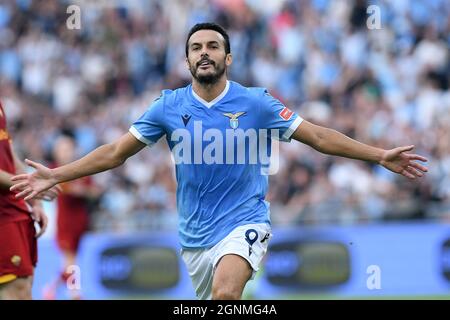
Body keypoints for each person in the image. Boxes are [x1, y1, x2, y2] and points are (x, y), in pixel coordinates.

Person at [10, 23, 428, 300]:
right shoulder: (167, 107)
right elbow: (116, 153)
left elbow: (318, 137)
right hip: (194, 238)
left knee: (226, 296)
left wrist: (379, 155)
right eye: (196, 48)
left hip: (246, 221)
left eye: (213, 46)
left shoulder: (256, 102)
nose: (204, 53)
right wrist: (57, 175)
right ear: (187, 60)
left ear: (228, 59)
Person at [0, 101, 59, 300]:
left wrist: (33, 200)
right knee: (17, 288)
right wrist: (28, 186)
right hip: (3, 214)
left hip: (12, 206)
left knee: (22, 285)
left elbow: (8, 151)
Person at [42, 134, 102, 300]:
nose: (66, 152)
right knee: (70, 260)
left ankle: (51, 288)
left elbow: (94, 191)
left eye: (68, 148)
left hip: (80, 222)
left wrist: (83, 191)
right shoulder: (53, 170)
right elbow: (62, 190)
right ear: (55, 152)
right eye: (62, 149)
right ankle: (74, 292)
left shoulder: (80, 168)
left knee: (70, 261)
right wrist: (77, 190)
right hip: (65, 223)